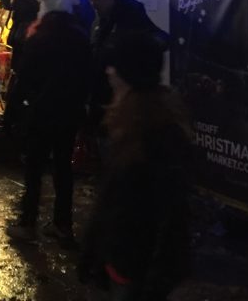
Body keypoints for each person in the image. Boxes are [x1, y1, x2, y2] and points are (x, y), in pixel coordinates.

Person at [78, 31, 191, 300]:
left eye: (114, 66)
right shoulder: (129, 120)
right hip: (121, 259)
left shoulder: (155, 132)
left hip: (137, 267)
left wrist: (156, 278)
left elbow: (169, 214)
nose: (108, 71)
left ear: (129, 73)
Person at [7, 0, 90, 246]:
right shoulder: (79, 35)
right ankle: (63, 224)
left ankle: (28, 223)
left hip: (41, 111)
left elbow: (25, 78)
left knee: (34, 168)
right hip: (69, 111)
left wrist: (12, 113)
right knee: (63, 167)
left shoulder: (40, 36)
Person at [85, 0, 163, 127]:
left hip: (121, 95)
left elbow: (156, 38)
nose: (93, 4)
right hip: (104, 94)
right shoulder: (100, 21)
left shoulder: (131, 17)